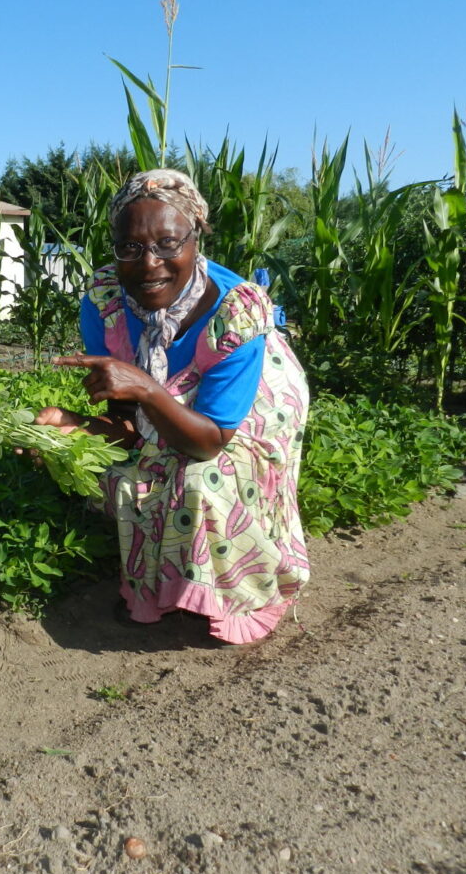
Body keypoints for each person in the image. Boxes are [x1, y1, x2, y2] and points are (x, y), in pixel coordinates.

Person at [36, 168, 310, 645]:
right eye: (130, 247)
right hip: (162, 396)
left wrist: (146, 389)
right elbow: (129, 424)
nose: (149, 264)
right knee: (137, 458)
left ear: (196, 236)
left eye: (167, 244)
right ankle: (157, 584)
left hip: (255, 391)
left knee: (204, 476)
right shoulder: (104, 304)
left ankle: (237, 594)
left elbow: (208, 440)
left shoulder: (236, 312)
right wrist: (78, 423)